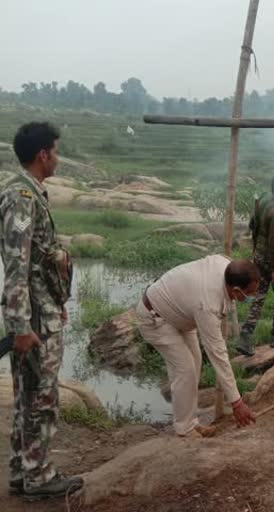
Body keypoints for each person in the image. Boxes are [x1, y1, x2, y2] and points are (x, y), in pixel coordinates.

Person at [1, 122, 83, 500]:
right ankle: (39, 476)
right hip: (33, 319)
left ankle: (22, 471)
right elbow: (17, 263)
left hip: (40, 311)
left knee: (28, 396)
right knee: (41, 398)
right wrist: (20, 325)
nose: (58, 158)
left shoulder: (32, 193)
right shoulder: (21, 197)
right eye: (56, 150)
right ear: (43, 155)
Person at [136, 256, 259, 437]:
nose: (252, 296)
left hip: (181, 315)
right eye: (249, 293)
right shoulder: (207, 304)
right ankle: (184, 430)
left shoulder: (227, 267)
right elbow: (218, 354)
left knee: (196, 362)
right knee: (185, 370)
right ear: (236, 290)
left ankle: (190, 422)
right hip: (156, 319)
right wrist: (237, 403)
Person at [237, 176, 274, 355]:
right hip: (270, 260)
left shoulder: (263, 200)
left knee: (259, 296)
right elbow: (273, 244)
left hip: (258, 257)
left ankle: (245, 336)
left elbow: (252, 224)